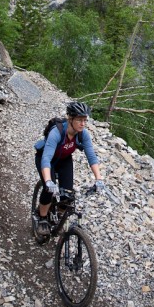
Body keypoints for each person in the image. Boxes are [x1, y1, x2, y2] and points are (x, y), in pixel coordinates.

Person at [34, 101, 104, 237]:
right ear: (70, 119)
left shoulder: (83, 134)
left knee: (67, 195)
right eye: (79, 120)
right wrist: (48, 181)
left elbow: (91, 156)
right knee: (49, 190)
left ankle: (57, 216)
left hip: (64, 160)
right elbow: (46, 158)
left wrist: (99, 178)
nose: (83, 124)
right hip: (46, 160)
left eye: (85, 120)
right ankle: (42, 217)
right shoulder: (57, 132)